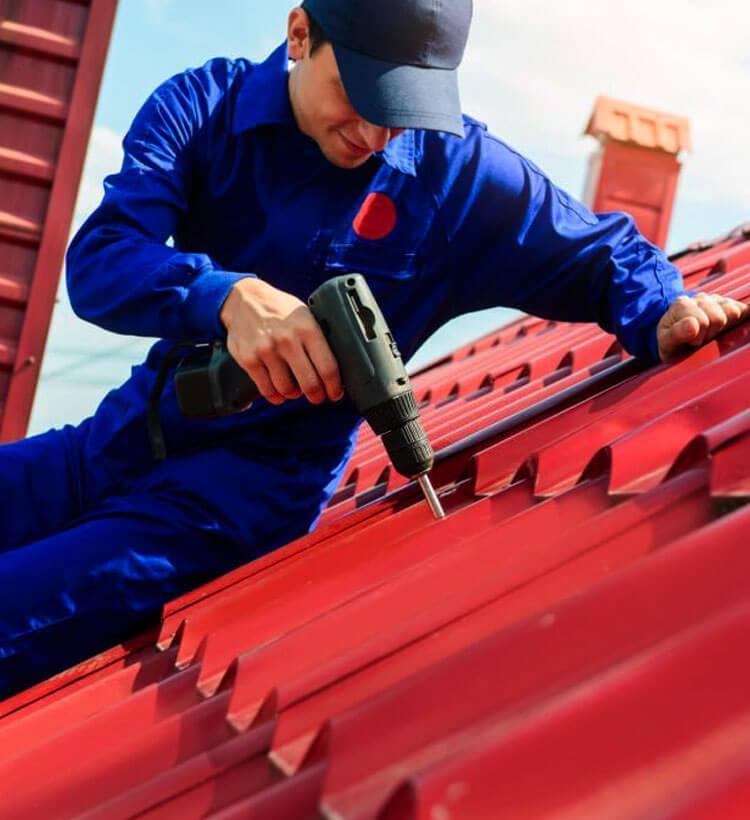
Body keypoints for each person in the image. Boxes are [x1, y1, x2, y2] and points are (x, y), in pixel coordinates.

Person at [0, 0, 746, 699]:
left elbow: (600, 255)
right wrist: (224, 296)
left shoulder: (457, 177)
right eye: (362, 96)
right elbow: (101, 260)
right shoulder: (201, 108)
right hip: (111, 443)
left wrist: (663, 310)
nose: (379, 134)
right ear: (301, 35)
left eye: (404, 110)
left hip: (230, 505)